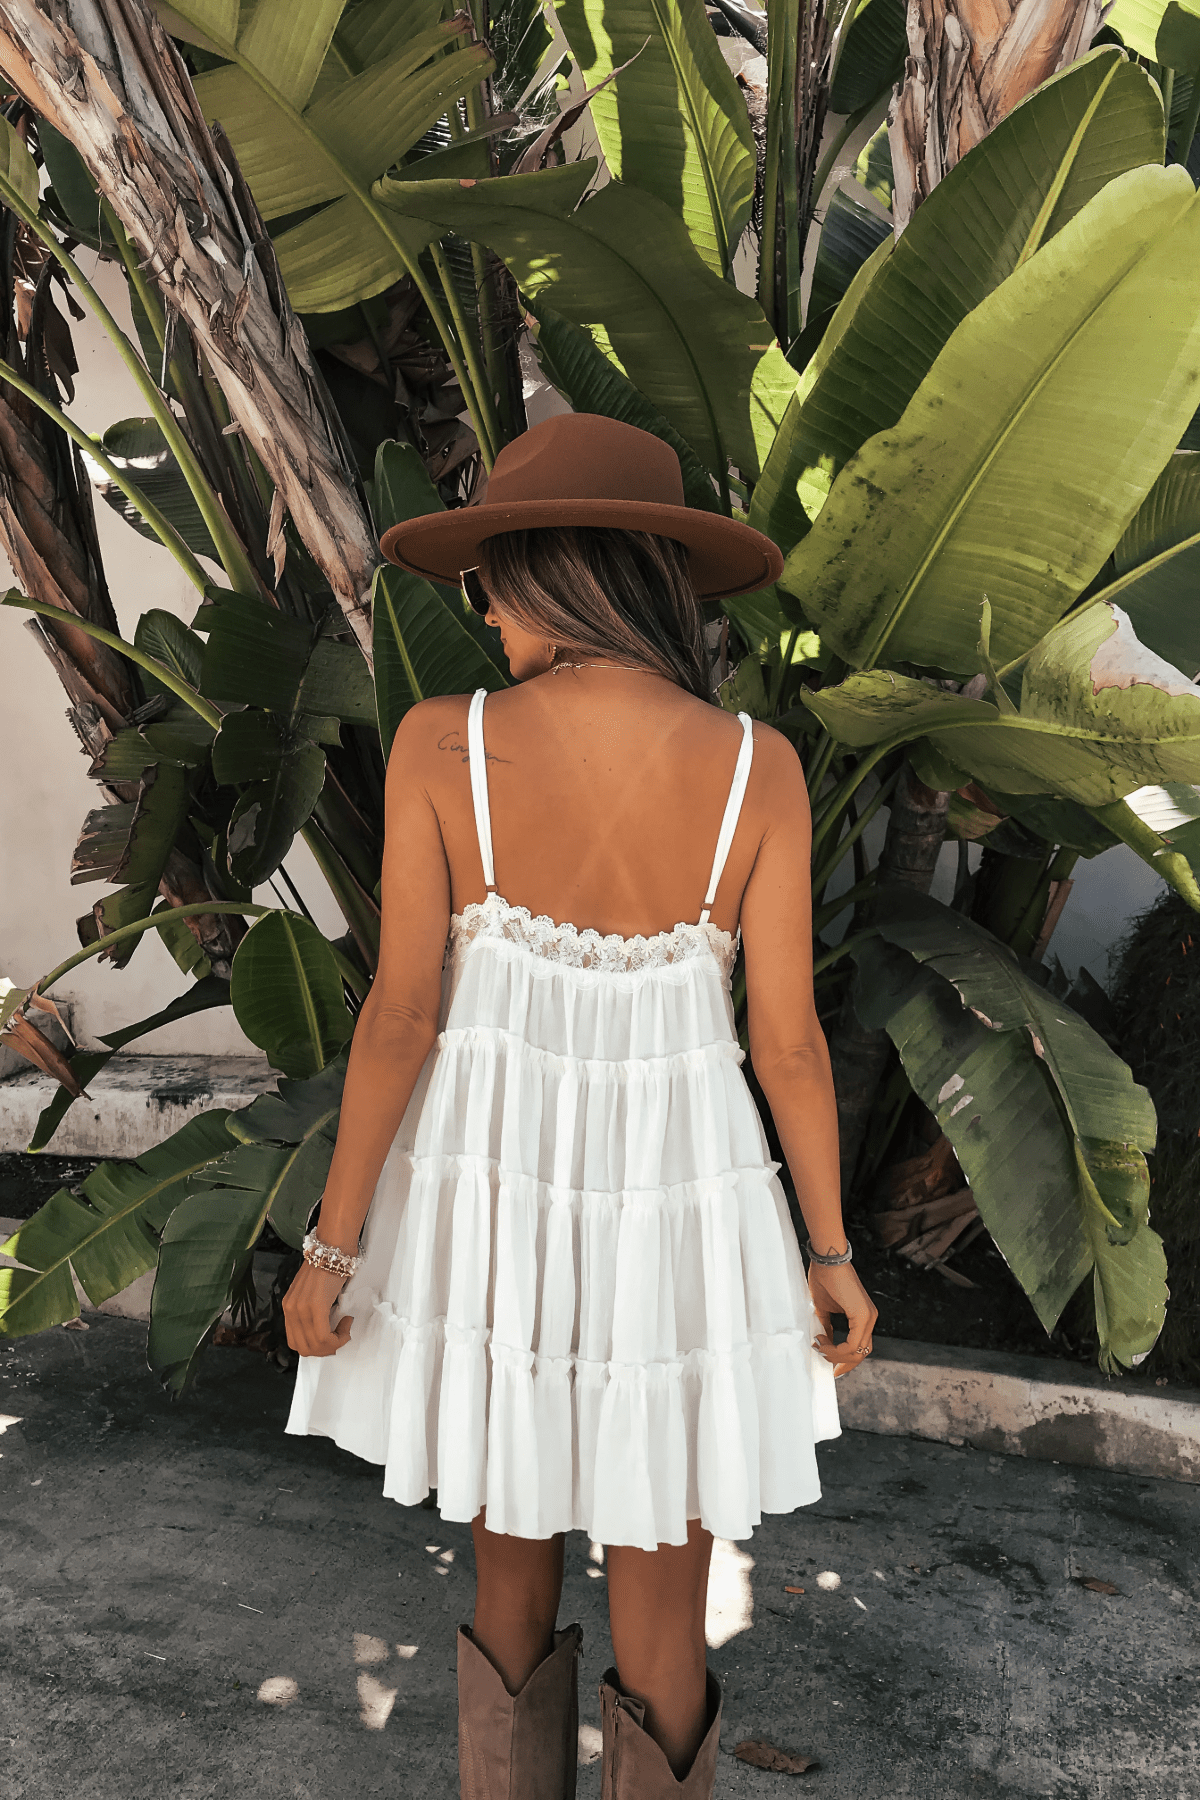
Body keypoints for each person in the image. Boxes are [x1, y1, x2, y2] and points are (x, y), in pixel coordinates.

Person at [282, 413, 878, 1798]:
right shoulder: (757, 767)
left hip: (499, 1211)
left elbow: (403, 1017)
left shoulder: (443, 745)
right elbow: (789, 1045)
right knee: (666, 1606)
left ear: (551, 573)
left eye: (489, 580)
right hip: (688, 1218)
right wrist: (830, 1251)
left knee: (509, 1578)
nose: (483, 610)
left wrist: (333, 1244)